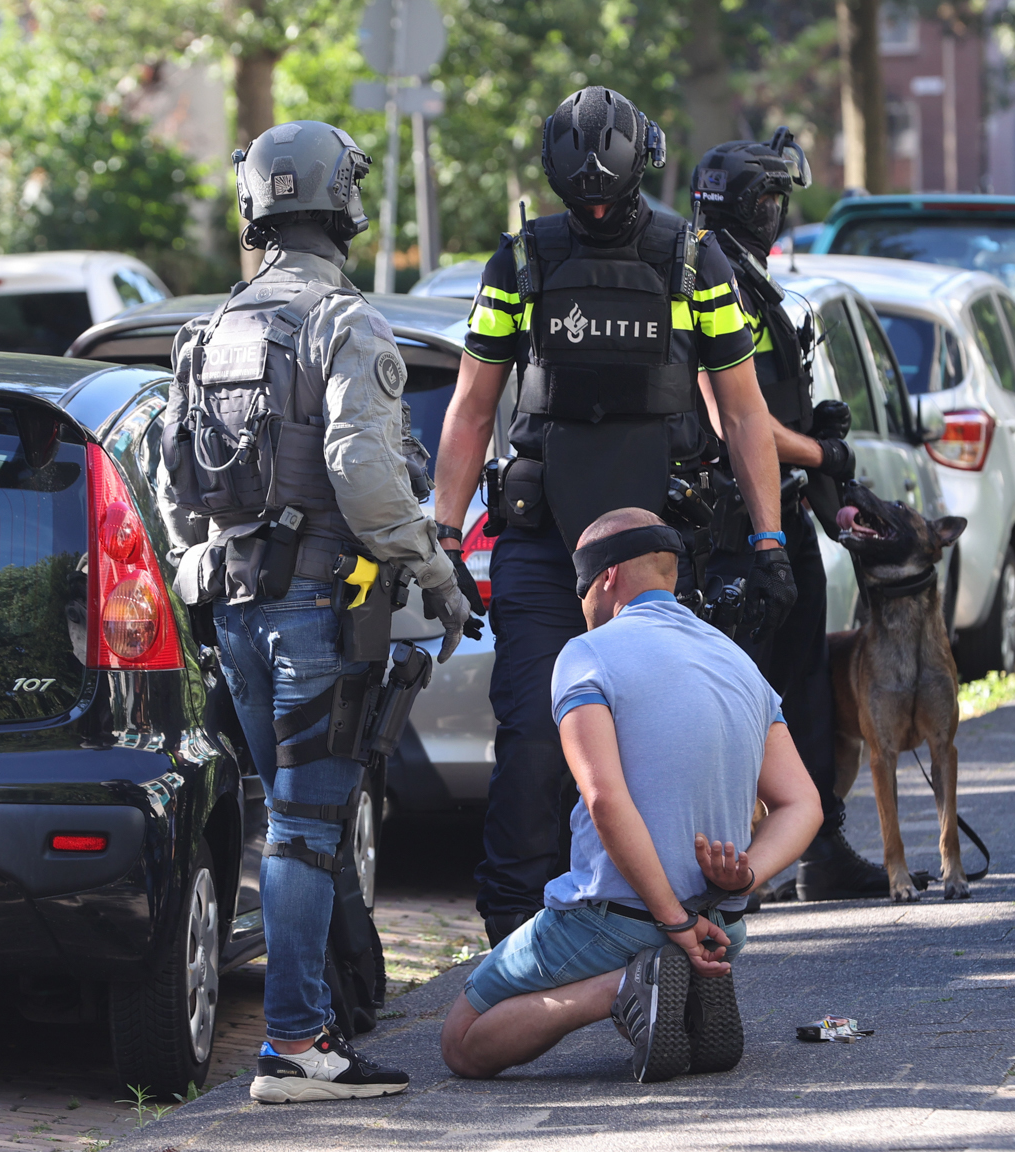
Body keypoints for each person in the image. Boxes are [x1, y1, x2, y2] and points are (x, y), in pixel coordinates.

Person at [158, 119, 476, 1105]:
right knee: (303, 826)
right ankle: (294, 1046)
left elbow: (174, 487)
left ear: (254, 208)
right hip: (316, 612)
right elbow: (364, 473)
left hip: (235, 611)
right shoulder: (347, 324)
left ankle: (319, 1020)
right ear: (341, 205)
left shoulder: (212, 330)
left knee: (286, 822)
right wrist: (433, 570)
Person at [431, 86, 795, 947]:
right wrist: (445, 536)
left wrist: (771, 539)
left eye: (608, 195)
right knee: (528, 737)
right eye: (578, 197)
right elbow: (472, 405)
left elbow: (743, 413)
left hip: (662, 550)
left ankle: (667, 917)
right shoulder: (521, 263)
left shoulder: (691, 259)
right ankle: (514, 927)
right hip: (543, 538)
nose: (594, 210)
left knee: (667, 740)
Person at [438, 508, 825, 1083]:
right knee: (665, 954)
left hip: (623, 921)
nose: (583, 607)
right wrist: (743, 876)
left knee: (461, 1042)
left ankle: (626, 986)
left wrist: (669, 923)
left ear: (607, 578)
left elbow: (604, 799)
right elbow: (803, 805)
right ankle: (666, 989)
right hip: (720, 930)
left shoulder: (587, 654)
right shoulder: (740, 664)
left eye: (581, 589)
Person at [690, 133, 891, 900]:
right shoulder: (719, 287)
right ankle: (759, 855)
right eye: (771, 200)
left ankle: (815, 845)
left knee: (799, 679)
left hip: (778, 513)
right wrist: (820, 453)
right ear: (750, 206)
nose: (779, 214)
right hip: (741, 524)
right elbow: (736, 417)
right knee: (755, 684)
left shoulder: (745, 279)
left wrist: (820, 436)